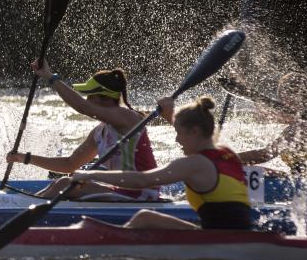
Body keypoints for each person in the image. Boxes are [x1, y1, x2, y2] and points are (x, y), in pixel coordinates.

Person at [47, 97, 252, 230]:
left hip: (218, 238)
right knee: (146, 218)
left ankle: (106, 246)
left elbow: (142, 180)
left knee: (144, 219)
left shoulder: (193, 163)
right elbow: (200, 135)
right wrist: (171, 114)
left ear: (195, 132)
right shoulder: (227, 153)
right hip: (237, 232)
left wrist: (89, 175)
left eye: (179, 133)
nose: (176, 140)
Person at [8, 60, 158, 200]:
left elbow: (83, 108)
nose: (87, 100)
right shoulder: (99, 132)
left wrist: (49, 76)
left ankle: (23, 209)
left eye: (90, 96)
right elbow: (69, 164)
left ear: (105, 97)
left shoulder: (127, 117)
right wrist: (25, 158)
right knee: (61, 182)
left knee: (64, 185)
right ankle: (23, 205)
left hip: (142, 193)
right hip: (123, 191)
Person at [236, 72, 307, 180]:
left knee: (244, 169)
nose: (282, 102)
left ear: (295, 97)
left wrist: (228, 158)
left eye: (283, 97)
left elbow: (265, 155)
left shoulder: (301, 128)